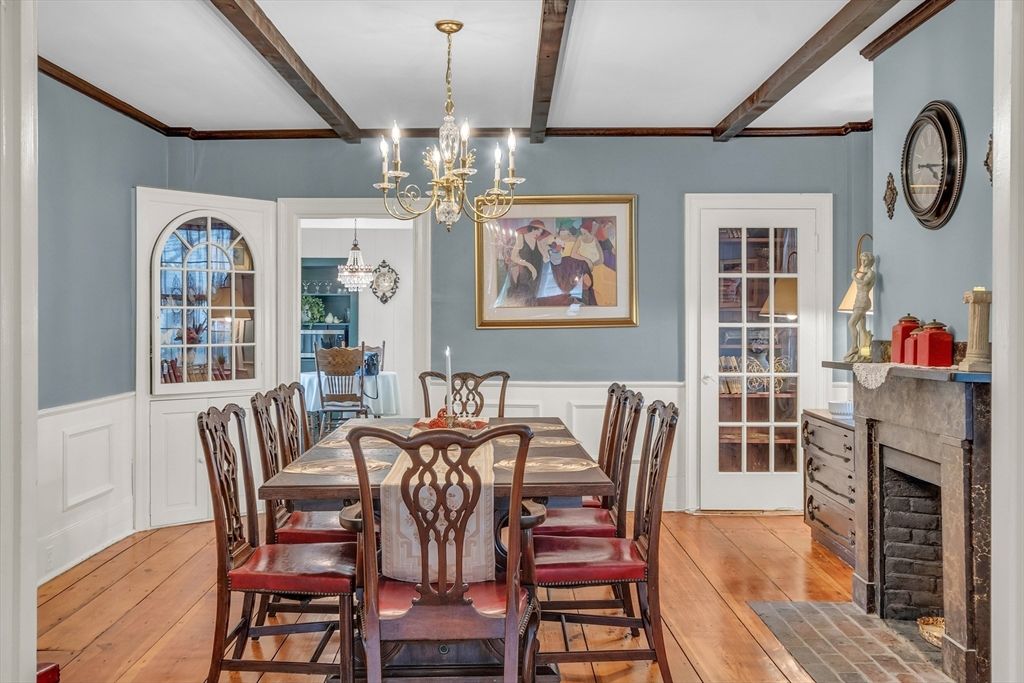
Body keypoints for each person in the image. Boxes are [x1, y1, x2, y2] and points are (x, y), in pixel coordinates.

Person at [843, 251, 876, 362]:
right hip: (859, 301)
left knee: (851, 323)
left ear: (870, 261)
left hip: (863, 301)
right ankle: (864, 352)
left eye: (865, 259)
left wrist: (853, 276)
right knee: (862, 328)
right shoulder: (864, 272)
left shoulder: (871, 273)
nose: (863, 262)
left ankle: (854, 347)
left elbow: (862, 283)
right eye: (861, 259)